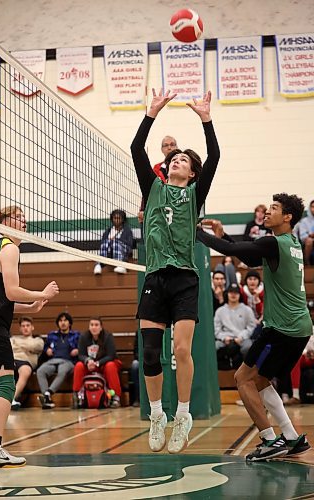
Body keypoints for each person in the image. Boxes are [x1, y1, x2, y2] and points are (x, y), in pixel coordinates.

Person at [130, 88, 220, 453]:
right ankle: (157, 415)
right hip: (155, 276)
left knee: (181, 350)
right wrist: (151, 113)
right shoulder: (153, 188)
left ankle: (183, 414)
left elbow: (215, 155)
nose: (176, 159)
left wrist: (206, 118)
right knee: (150, 354)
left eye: (183, 158)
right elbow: (138, 150)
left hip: (184, 277)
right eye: (174, 157)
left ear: (192, 171)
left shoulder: (196, 194)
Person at [197, 193, 312, 461]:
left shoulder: (274, 243)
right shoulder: (290, 243)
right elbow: (249, 257)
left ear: (288, 217)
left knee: (242, 379)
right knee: (259, 380)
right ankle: (292, 437)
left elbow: (234, 252)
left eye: (274, 208)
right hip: (298, 328)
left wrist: (197, 233)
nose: (267, 212)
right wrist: (224, 236)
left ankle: (270, 440)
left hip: (282, 328)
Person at [0, 205, 59, 468]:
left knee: (2, 380)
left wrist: (30, 308)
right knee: (6, 385)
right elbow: (14, 290)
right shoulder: (10, 248)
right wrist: (42, 294)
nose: (23, 221)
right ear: (3, 223)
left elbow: (3, 298)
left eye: (24, 217)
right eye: (17, 217)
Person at [73, 317, 122, 408]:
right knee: (79, 366)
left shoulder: (107, 336)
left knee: (110, 366)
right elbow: (81, 355)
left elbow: (111, 355)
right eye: (91, 325)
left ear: (101, 327)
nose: (94, 327)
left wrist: (98, 363)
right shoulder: (83, 337)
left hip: (105, 363)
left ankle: (116, 397)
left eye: (96, 325)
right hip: (90, 364)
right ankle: (77, 396)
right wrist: (88, 361)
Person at [37, 312, 79, 409]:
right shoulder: (52, 335)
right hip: (53, 360)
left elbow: (82, 347)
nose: (63, 323)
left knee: (62, 370)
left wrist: (78, 350)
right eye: (60, 321)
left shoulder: (76, 335)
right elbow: (45, 347)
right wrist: (47, 350)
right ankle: (47, 397)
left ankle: (49, 392)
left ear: (70, 323)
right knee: (40, 371)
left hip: (68, 361)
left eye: (65, 320)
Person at [137, 135, 178, 228]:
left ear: (176, 147)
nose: (169, 147)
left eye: (172, 144)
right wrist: (143, 209)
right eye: (166, 145)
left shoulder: (184, 167)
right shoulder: (157, 169)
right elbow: (148, 189)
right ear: (162, 149)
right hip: (159, 211)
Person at [214, 283, 256, 370]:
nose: (233, 295)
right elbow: (216, 329)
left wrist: (241, 336)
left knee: (248, 347)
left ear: (239, 295)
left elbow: (251, 326)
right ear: (227, 294)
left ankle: (246, 371)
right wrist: (224, 338)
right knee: (215, 346)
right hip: (225, 339)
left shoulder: (247, 310)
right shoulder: (220, 311)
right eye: (231, 292)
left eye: (236, 293)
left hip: (242, 339)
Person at [10, 316, 44, 410]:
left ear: (32, 327)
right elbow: (8, 348)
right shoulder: (13, 338)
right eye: (23, 326)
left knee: (25, 370)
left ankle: (11, 399)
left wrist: (18, 346)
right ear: (20, 328)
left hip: (26, 362)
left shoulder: (37, 340)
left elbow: (35, 346)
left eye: (28, 325)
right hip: (11, 360)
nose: (25, 328)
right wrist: (27, 348)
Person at [94, 210, 134, 275]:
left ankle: (121, 265)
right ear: (112, 219)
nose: (117, 220)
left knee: (115, 242)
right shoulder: (108, 231)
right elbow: (102, 243)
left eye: (119, 218)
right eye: (115, 218)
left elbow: (130, 244)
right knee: (106, 243)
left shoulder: (127, 231)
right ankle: (99, 265)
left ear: (122, 219)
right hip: (110, 252)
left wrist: (116, 241)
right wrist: (110, 241)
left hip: (123, 251)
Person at [298, 199, 314, 265]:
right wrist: (311, 235)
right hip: (309, 241)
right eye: (313, 207)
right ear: (310, 208)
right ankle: (307, 263)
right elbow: (302, 237)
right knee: (309, 241)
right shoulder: (304, 221)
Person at [130, 331, 140, 407]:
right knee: (135, 365)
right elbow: (136, 351)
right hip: (141, 360)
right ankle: (137, 398)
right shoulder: (139, 332)